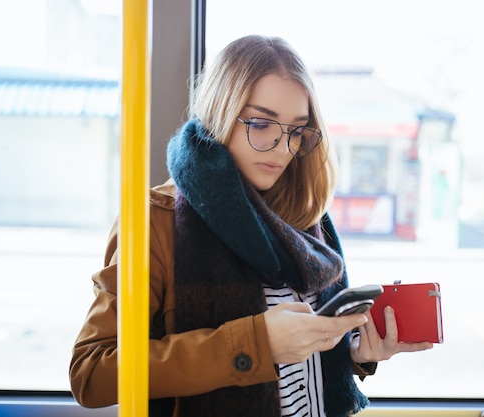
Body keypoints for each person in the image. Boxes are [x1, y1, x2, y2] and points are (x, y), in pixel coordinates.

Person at [69, 34, 432, 417]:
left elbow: (305, 364)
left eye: (296, 130)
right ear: (220, 112)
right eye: (261, 124)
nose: (281, 147)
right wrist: (256, 344)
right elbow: (92, 373)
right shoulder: (155, 221)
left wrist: (354, 350)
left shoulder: (306, 213)